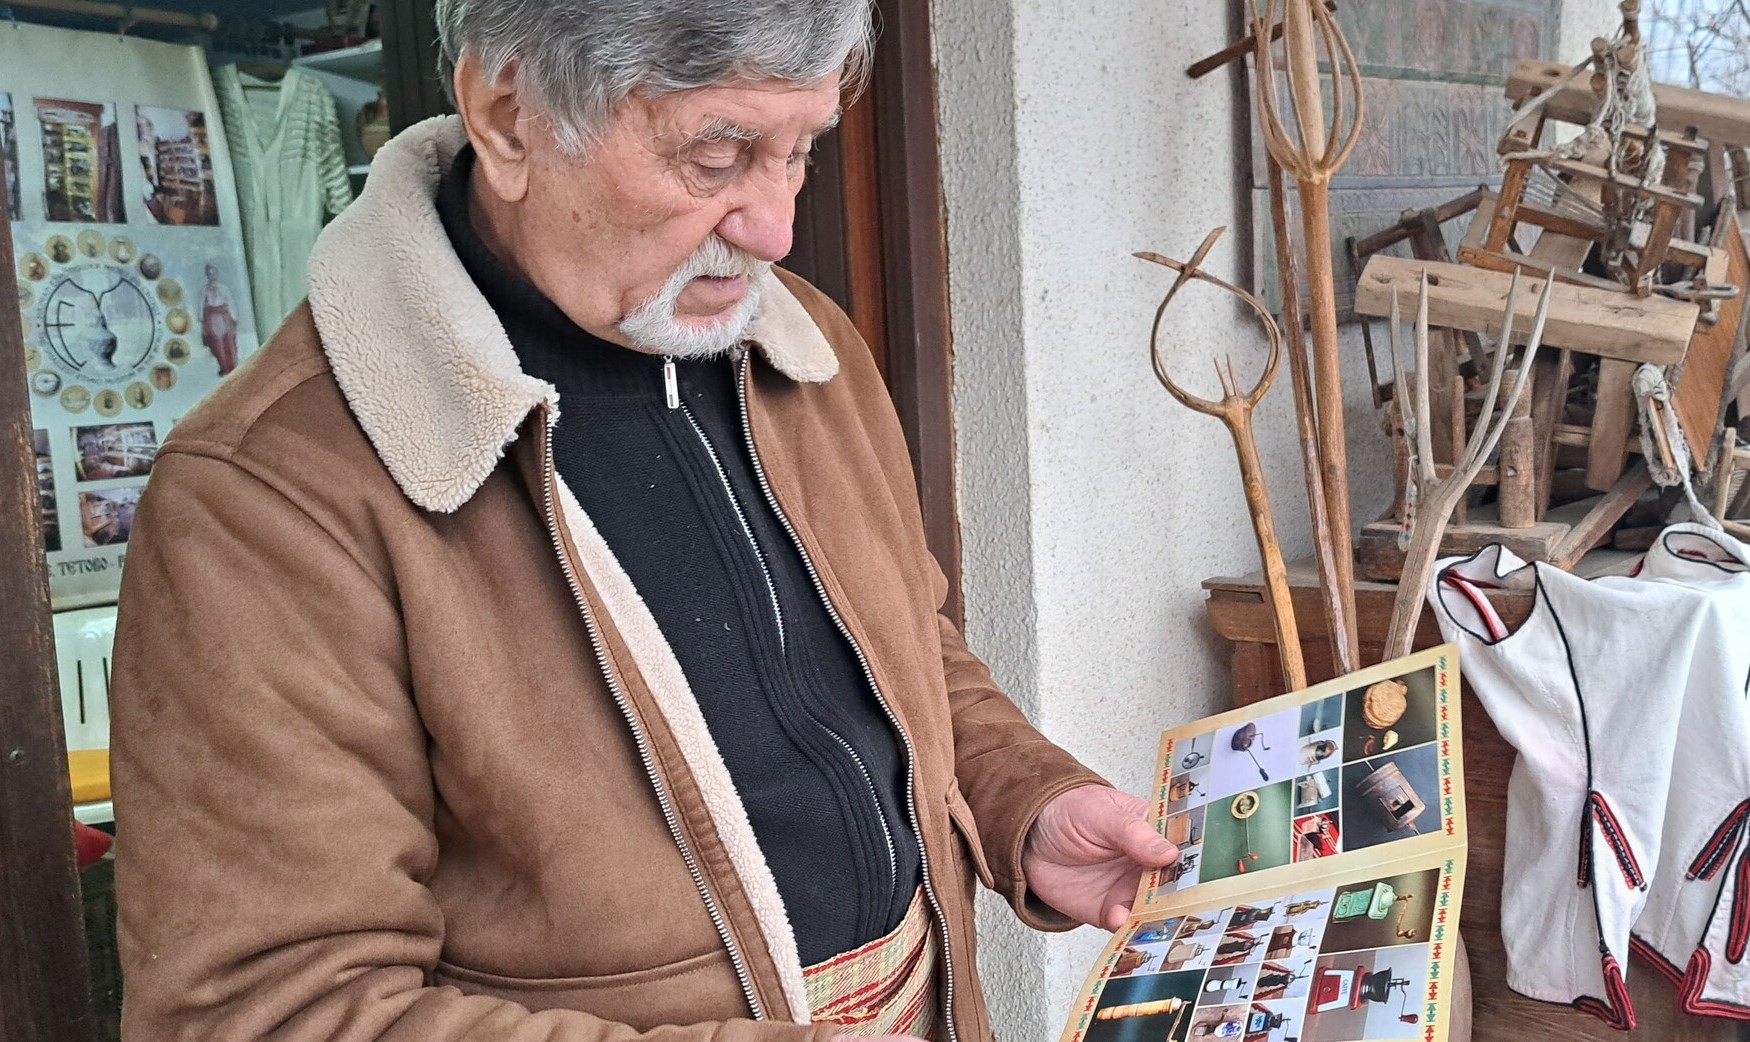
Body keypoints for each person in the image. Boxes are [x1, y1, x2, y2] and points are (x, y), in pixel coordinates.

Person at [109, 3, 1179, 1039]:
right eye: (716, 156)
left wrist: (1022, 801)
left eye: (801, 149)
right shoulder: (267, 494)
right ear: (508, 114)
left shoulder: (808, 348)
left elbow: (909, 645)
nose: (774, 226)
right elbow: (262, 1010)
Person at [198, 263, 239, 375]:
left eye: (214, 273)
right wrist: (202, 319)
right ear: (207, 276)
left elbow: (230, 302)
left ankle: (232, 366)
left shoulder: (224, 289)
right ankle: (223, 366)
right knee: (216, 344)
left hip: (224, 316)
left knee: (229, 342)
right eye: (209, 274)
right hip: (211, 317)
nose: (212, 276)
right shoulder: (204, 290)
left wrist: (234, 318)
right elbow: (202, 305)